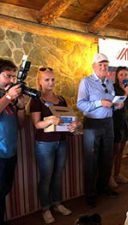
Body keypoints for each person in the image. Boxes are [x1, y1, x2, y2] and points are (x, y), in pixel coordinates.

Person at [30, 67, 80, 224]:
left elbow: (68, 121)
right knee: (46, 177)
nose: (50, 82)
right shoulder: (36, 100)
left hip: (62, 142)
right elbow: (37, 124)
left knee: (58, 175)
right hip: (44, 144)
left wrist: (74, 124)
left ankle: (57, 204)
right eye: (46, 79)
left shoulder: (61, 99)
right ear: (39, 82)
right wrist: (50, 120)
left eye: (52, 79)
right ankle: (45, 208)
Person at [77, 53, 122, 208]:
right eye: (100, 65)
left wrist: (117, 105)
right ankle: (90, 194)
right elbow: (81, 104)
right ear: (94, 67)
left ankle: (103, 188)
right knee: (91, 160)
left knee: (107, 158)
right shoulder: (86, 82)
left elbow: (111, 102)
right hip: (92, 124)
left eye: (105, 65)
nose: (103, 67)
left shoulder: (109, 83)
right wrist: (99, 103)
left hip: (108, 123)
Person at [0, 59, 26, 225]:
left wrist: (22, 107)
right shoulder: (6, 97)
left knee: (3, 192)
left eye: (12, 76)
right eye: (7, 76)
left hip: (10, 153)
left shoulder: (6, 98)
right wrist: (10, 96)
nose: (11, 80)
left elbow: (21, 125)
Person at [109, 66, 128, 188]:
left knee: (121, 151)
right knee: (114, 150)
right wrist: (126, 92)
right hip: (115, 121)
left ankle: (117, 174)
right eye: (121, 74)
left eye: (126, 75)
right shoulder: (113, 88)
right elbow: (116, 104)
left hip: (124, 122)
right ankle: (110, 176)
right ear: (117, 76)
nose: (124, 77)